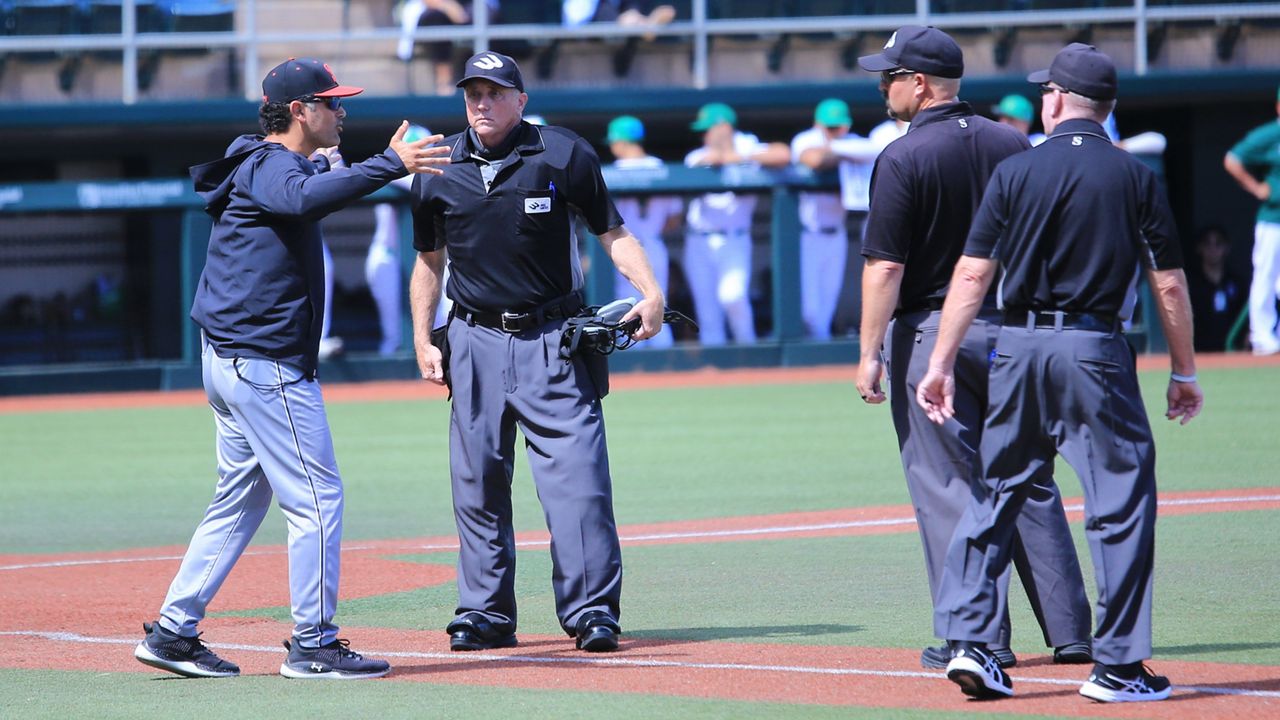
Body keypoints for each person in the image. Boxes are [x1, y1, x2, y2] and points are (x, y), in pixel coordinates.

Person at [132, 57, 450, 680]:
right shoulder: (274, 164)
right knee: (317, 498)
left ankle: (173, 630)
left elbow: (301, 187)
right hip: (264, 362)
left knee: (240, 499)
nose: (343, 111)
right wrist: (390, 165)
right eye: (332, 102)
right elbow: (299, 196)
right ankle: (315, 643)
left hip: (230, 360)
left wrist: (340, 166)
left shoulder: (259, 156)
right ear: (300, 110)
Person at [917, 43, 1203, 703]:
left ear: (1055, 99)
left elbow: (972, 274)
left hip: (1017, 346)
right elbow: (1170, 287)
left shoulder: (1016, 168)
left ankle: (969, 641)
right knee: (1119, 502)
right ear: (1106, 106)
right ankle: (1119, 667)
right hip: (1094, 347)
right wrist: (1184, 369)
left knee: (995, 489)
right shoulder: (1135, 175)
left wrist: (939, 362)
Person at [408, 51, 665, 654]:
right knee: (476, 485)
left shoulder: (563, 152)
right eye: (472, 92)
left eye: (495, 92)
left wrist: (649, 291)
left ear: (520, 100)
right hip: (471, 338)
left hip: (553, 339)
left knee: (579, 484)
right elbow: (429, 260)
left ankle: (592, 612)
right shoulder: (437, 166)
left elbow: (612, 231)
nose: (481, 103)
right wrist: (422, 337)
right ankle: (484, 613)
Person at [854, 26, 1093, 672]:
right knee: (1029, 478)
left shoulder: (902, 157)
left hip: (934, 331)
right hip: (1014, 331)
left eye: (891, 76)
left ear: (921, 83)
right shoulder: (1013, 142)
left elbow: (883, 270)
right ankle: (1071, 630)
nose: (882, 86)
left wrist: (868, 352)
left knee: (948, 484)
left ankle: (976, 636)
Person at [684, 102, 791, 345]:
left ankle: (747, 352)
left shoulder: (748, 146)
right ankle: (718, 370)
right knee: (707, 312)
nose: (704, 135)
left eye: (708, 129)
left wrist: (739, 156)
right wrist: (721, 158)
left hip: (735, 238)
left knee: (733, 297)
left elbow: (783, 154)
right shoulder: (698, 155)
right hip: (699, 239)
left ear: (724, 127)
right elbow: (698, 164)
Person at [605, 114, 682, 348]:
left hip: (622, 244)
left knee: (625, 304)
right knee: (657, 301)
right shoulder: (661, 168)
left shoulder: (610, 171)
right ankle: (666, 360)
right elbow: (674, 219)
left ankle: (632, 361)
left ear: (622, 141)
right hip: (653, 242)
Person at [790, 98, 857, 340]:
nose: (835, 131)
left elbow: (876, 151)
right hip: (808, 234)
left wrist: (843, 150)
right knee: (809, 310)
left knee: (826, 309)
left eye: (839, 126)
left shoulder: (853, 141)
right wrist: (845, 153)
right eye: (830, 126)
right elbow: (815, 159)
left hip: (837, 234)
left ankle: (818, 358)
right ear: (818, 124)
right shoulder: (806, 139)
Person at [1223, 86, 1280, 356]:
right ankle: (1262, 337)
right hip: (1273, 218)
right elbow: (1233, 159)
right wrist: (1256, 188)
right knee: (1266, 275)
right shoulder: (1270, 135)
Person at [397, 1, 501, 95]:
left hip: (475, 7)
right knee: (435, 19)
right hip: (441, 8)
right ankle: (444, 84)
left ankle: (483, 81)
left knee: (482, 16)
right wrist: (447, 5)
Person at [1187, 225, 1246, 351]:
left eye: (1218, 243)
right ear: (1199, 248)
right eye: (1207, 244)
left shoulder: (1237, 283)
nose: (1212, 249)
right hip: (1199, 349)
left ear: (1226, 248)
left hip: (1232, 350)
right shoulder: (1191, 284)